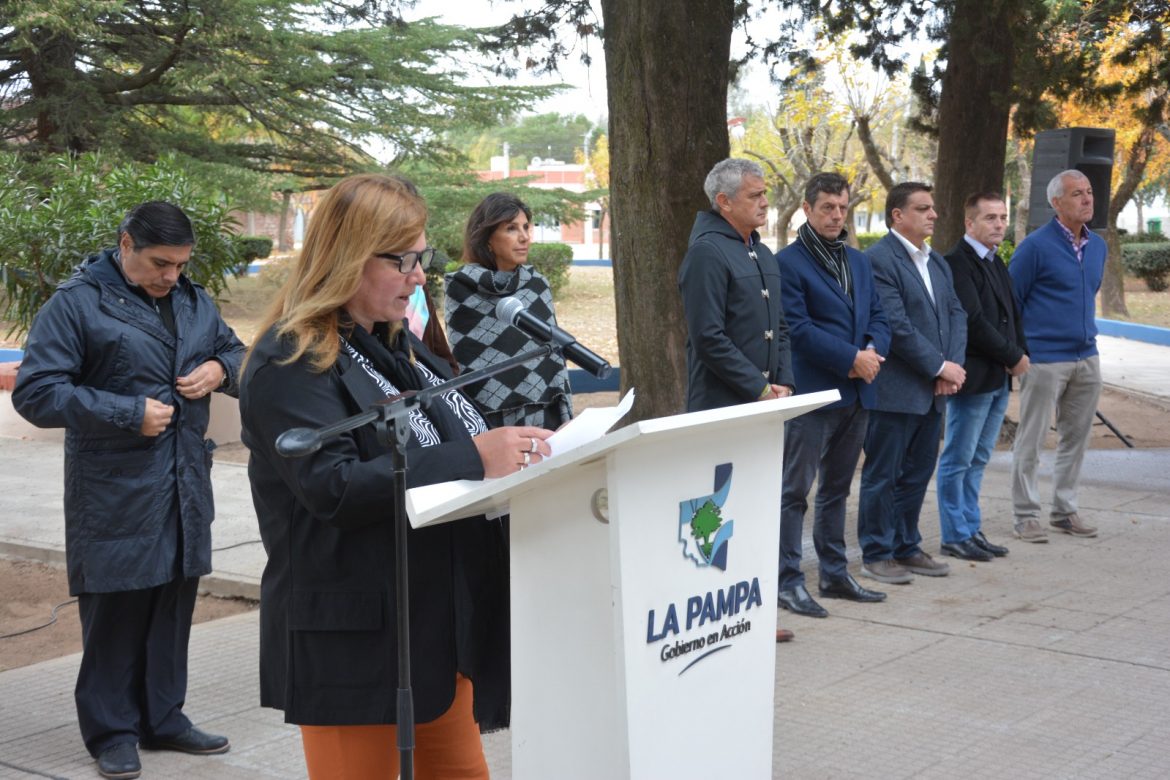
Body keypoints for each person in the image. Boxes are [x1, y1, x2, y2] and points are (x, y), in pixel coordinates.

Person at [239, 174, 552, 779]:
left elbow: (456, 434)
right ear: (350, 255)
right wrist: (475, 458)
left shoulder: (399, 347)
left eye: (423, 257)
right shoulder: (293, 358)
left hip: (433, 630)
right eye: (404, 259)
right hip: (355, 639)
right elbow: (332, 485)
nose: (418, 275)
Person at [13, 202, 244, 779]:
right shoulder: (75, 304)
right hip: (113, 489)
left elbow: (239, 353)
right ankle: (112, 732)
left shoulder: (193, 300)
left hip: (185, 478)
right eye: (160, 263)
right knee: (117, 610)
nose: (171, 276)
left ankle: (163, 718)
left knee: (173, 601)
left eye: (181, 264)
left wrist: (220, 368)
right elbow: (36, 391)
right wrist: (124, 412)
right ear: (125, 244)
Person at [678, 158, 796, 642]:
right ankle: (706, 616)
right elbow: (707, 336)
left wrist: (783, 383)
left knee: (754, 509)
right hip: (722, 405)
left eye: (765, 193)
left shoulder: (762, 253)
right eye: (754, 195)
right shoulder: (708, 252)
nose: (765, 202)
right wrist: (757, 387)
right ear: (723, 202)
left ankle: (751, 613)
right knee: (713, 513)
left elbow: (780, 328)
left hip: (765, 405)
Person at [775, 172, 891, 619]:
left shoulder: (858, 261)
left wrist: (873, 352)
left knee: (838, 489)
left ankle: (834, 574)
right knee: (794, 492)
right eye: (827, 207)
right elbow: (797, 329)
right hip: (813, 394)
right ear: (807, 208)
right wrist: (850, 358)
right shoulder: (787, 262)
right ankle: (788, 582)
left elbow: (878, 316)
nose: (836, 215)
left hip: (859, 393)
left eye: (843, 207)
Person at [858, 183, 967, 585]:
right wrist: (938, 367)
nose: (933, 215)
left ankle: (906, 545)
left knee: (917, 474)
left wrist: (949, 368)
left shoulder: (935, 261)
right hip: (896, 391)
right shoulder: (878, 260)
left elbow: (957, 313)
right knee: (883, 475)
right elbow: (896, 327)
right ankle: (876, 552)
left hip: (933, 391)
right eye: (923, 208)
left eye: (933, 208)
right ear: (897, 216)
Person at [1009, 170, 1106, 542]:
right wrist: (1018, 352)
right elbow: (1012, 300)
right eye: (1077, 194)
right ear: (1056, 203)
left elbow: (1089, 290)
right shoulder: (1035, 247)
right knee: (1031, 440)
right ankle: (1025, 515)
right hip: (1044, 359)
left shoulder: (1097, 246)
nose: (1086, 199)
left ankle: (1065, 511)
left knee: (1075, 440)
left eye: (1089, 192)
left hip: (1087, 357)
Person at [937, 193, 1029, 561]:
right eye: (990, 218)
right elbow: (973, 323)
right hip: (973, 378)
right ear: (969, 223)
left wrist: (1021, 353)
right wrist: (1013, 356)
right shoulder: (957, 263)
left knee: (978, 460)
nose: (999, 224)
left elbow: (1012, 314)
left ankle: (972, 529)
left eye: (1003, 217)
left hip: (998, 377)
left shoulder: (995, 261)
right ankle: (954, 534)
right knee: (957, 458)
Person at [445, 192, 572, 430]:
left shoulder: (537, 284)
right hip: (491, 419)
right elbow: (468, 358)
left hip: (547, 413)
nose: (524, 237)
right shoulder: (460, 287)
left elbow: (554, 356)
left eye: (526, 227)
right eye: (512, 229)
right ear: (487, 238)